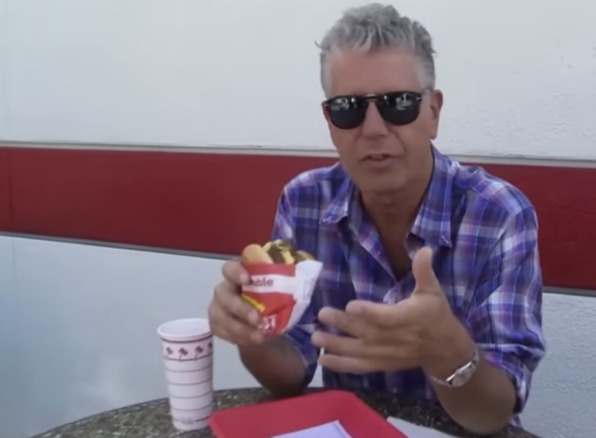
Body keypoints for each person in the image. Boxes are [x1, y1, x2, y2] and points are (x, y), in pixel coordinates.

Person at [208, 3, 545, 434]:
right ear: (330, 122)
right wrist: (252, 331)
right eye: (347, 108)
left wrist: (447, 350)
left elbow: (492, 413)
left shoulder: (499, 215)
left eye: (398, 104)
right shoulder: (304, 200)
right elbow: (290, 369)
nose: (372, 129)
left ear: (433, 112)